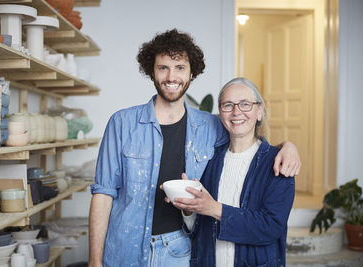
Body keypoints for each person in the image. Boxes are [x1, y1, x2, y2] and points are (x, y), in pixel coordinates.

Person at [88, 29, 300, 267]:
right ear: (152, 71)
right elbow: (103, 194)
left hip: (178, 252)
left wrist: (286, 146)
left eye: (180, 68)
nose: (172, 76)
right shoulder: (122, 123)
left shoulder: (210, 125)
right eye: (163, 67)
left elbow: (246, 137)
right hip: (124, 248)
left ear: (191, 73)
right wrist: (94, 261)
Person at [172, 77, 296, 267]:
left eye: (245, 104)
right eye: (228, 105)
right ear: (220, 113)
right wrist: (189, 209)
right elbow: (198, 229)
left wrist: (214, 208)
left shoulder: (278, 163)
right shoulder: (209, 160)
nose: (236, 112)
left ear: (260, 112)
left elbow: (271, 227)